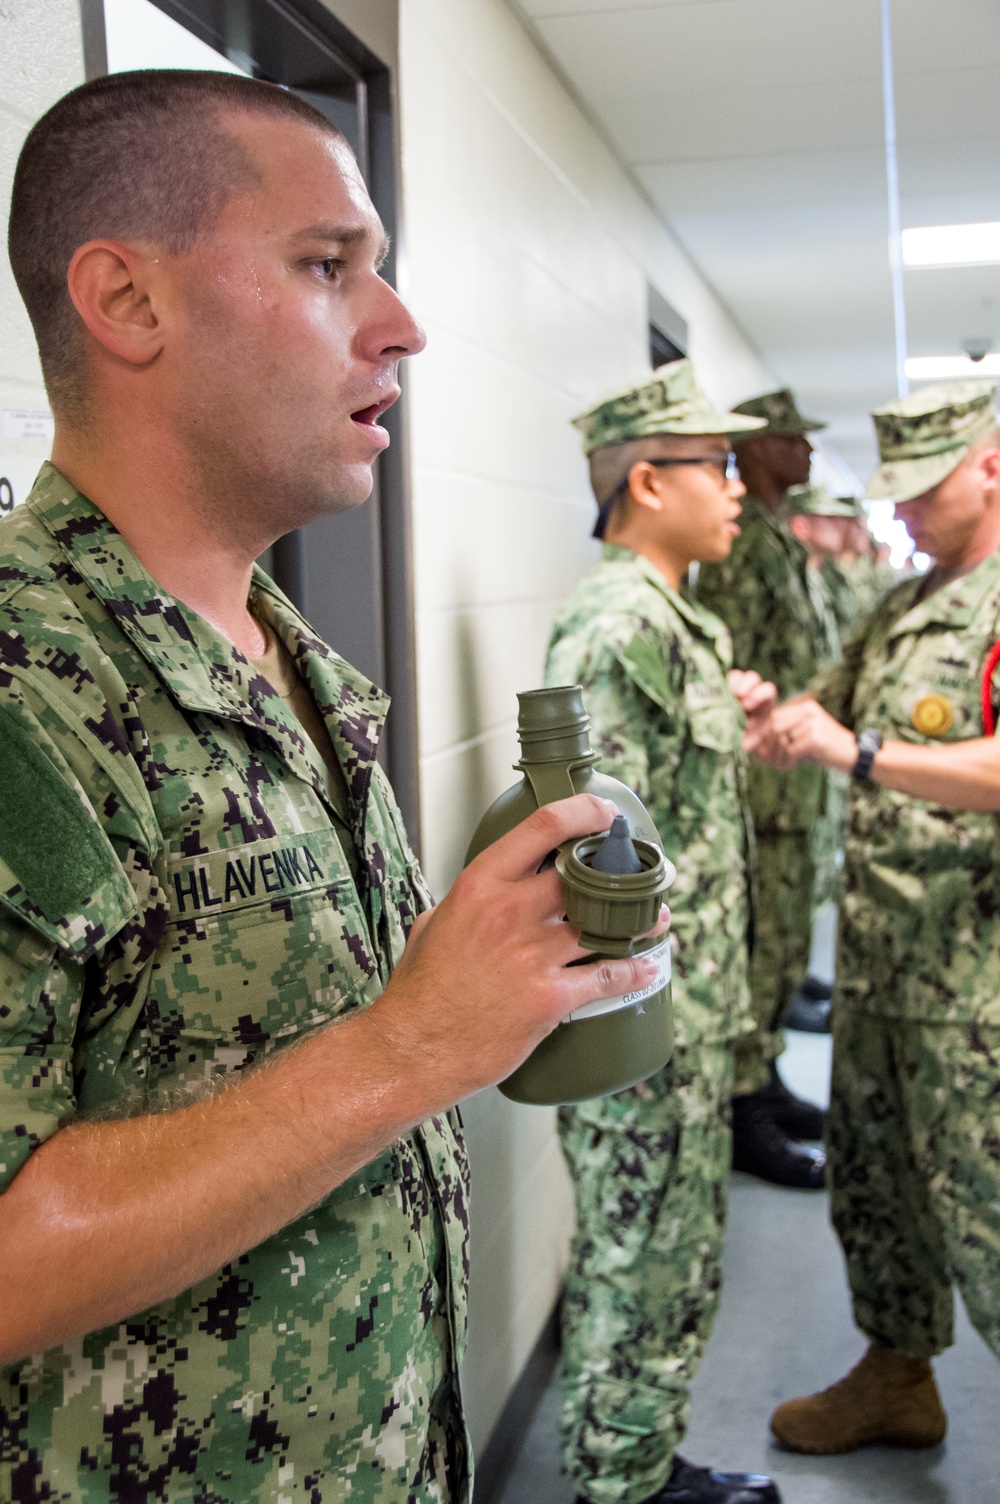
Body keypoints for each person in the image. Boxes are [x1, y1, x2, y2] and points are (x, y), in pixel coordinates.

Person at [0, 71, 666, 1503]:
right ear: (127, 303)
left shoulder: (295, 668)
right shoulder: (24, 693)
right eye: (326, 265)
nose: (401, 325)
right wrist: (411, 1046)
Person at [544, 359, 782, 1504]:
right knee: (642, 1260)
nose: (737, 488)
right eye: (717, 466)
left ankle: (631, 1460)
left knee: (655, 1256)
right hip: (642, 1011)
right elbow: (594, 841)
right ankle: (621, 1484)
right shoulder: (613, 622)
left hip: (681, 1005)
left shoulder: (663, 616)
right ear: (646, 480)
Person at [752, 380, 1000, 1453]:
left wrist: (853, 753)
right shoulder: (908, 602)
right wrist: (780, 711)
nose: (897, 511)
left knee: (985, 1207)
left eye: (919, 488)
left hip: (976, 981)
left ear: (988, 467)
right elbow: (830, 703)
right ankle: (896, 1378)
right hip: (881, 966)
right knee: (878, 1190)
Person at [696, 391, 829, 1189]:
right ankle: (744, 1103)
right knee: (761, 949)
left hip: (796, 782)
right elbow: (737, 662)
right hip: (764, 786)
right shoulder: (741, 545)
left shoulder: (775, 535)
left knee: (783, 949)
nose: (806, 453)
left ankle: (767, 1076)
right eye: (792, 439)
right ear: (755, 448)